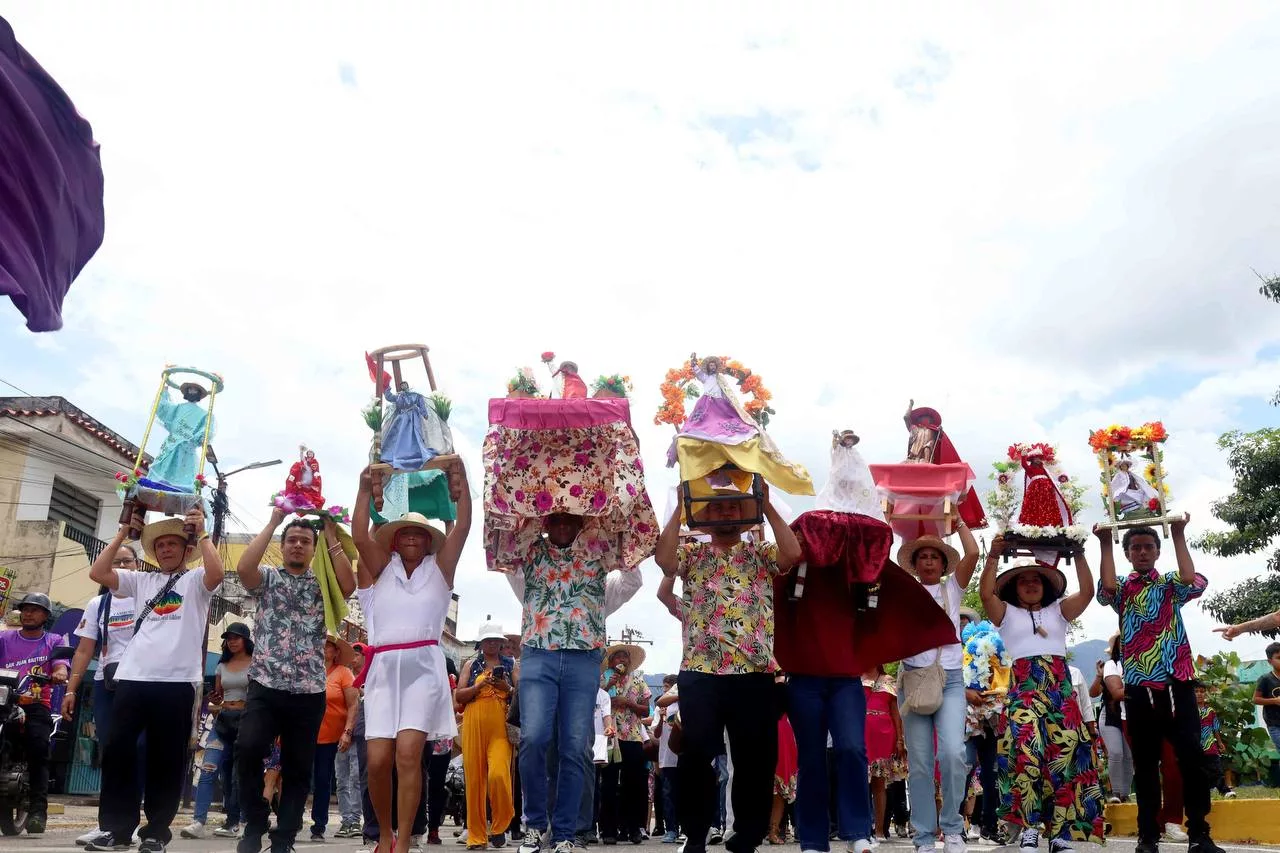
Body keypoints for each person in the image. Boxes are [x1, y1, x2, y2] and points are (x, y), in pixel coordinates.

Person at [655, 484, 802, 853]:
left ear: (745, 512)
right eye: (717, 508)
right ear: (705, 512)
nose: (725, 514)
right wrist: (679, 509)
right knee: (697, 753)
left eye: (733, 507)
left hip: (753, 671)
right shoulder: (693, 553)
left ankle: (749, 833)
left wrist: (766, 504)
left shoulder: (760, 552)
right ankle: (696, 832)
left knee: (755, 758)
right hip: (701, 670)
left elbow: (792, 554)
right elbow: (665, 561)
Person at [85, 507, 223, 853]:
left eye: (172, 544)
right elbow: (98, 572)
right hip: (133, 678)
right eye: (159, 545)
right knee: (118, 752)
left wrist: (202, 531)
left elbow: (217, 573)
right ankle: (116, 831)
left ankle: (155, 833)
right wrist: (122, 533)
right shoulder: (140, 580)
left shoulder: (194, 582)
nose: (165, 550)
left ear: (185, 548)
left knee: (166, 759)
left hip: (176, 683)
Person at [354, 460, 471, 853]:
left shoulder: (441, 571)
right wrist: (362, 486)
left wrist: (463, 485)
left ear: (428, 540)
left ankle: (403, 841)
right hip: (383, 671)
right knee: (376, 760)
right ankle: (383, 833)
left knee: (407, 755)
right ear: (393, 537)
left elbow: (464, 527)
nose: (411, 537)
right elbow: (357, 534)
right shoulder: (379, 571)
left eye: (419, 533)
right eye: (404, 530)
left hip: (423, 669)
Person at [234, 507, 357, 853]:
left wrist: (331, 534)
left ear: (313, 547)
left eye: (305, 541)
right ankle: (255, 820)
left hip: (308, 690)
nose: (298, 546)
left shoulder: (322, 583)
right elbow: (244, 570)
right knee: (248, 749)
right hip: (265, 684)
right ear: (283, 546)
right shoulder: (269, 578)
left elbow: (349, 585)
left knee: (299, 768)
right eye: (292, 541)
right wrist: (273, 520)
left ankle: (284, 837)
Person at [1096, 520, 1223, 853]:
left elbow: (1188, 577)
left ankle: (1199, 833)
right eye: (1135, 547)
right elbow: (1106, 585)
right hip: (1139, 687)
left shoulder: (1169, 584)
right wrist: (1105, 542)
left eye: (1148, 547)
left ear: (1157, 551)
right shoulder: (1123, 587)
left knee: (1192, 760)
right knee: (1146, 764)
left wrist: (1178, 533)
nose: (1141, 552)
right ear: (1127, 553)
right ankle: (1147, 837)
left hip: (1177, 682)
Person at [979, 543, 1103, 851]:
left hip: (1060, 693)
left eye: (1037, 579)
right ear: (1014, 587)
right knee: (1026, 757)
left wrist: (1078, 552)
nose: (1031, 584)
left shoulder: (1058, 610)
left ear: (1046, 585)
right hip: (1022, 693)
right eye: (1024, 580)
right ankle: (1029, 829)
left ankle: (1059, 835)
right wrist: (994, 554)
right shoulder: (1005, 613)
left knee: (1064, 761)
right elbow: (984, 594)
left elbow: (1088, 592)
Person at [895, 525, 979, 853]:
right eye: (923, 557)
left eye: (934, 557)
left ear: (944, 565)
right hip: (914, 680)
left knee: (954, 753)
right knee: (919, 763)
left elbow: (972, 553)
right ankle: (924, 837)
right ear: (914, 565)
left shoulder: (952, 590)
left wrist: (958, 522)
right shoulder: (902, 592)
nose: (929, 562)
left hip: (952, 679)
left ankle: (953, 828)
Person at [64, 545, 141, 848]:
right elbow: (84, 649)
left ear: (138, 566)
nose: (122, 566)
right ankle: (106, 824)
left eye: (128, 561)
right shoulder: (99, 603)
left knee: (135, 752)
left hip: (141, 684)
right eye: (117, 561)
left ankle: (129, 825)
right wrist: (71, 689)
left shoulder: (147, 597)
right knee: (110, 753)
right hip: (106, 685)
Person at [0, 591, 67, 834]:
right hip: (5, 702)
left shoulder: (55, 641)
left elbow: (61, 665)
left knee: (39, 749)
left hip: (36, 703)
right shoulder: (5, 638)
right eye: (25, 609)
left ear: (45, 615)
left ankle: (38, 810)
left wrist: (59, 673)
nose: (28, 613)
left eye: (35, 609)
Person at [183, 622, 254, 839]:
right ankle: (198, 821)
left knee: (238, 775)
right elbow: (219, 696)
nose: (232, 641)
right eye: (229, 638)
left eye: (236, 637)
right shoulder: (221, 666)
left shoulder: (256, 664)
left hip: (247, 721)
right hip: (222, 721)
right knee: (208, 768)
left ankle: (240, 821)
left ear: (246, 640)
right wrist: (215, 699)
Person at [455, 622, 517, 850]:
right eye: (488, 640)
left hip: (501, 726)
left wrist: (506, 687)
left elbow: (521, 695)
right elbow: (459, 696)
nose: (492, 643)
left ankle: (500, 825)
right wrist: (478, 688)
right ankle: (477, 837)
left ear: (502, 643)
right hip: (473, 722)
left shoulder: (511, 665)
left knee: (499, 775)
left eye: (496, 640)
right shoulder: (471, 665)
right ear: (481, 643)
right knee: (474, 781)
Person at [598, 644, 652, 845]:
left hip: (633, 736)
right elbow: (595, 702)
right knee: (609, 784)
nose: (621, 660)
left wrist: (628, 703)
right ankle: (608, 829)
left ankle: (634, 829)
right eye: (617, 657)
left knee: (635, 784)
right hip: (611, 734)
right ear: (611, 662)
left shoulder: (638, 680)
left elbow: (646, 711)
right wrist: (608, 688)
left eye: (625, 657)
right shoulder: (604, 679)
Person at [311, 635, 360, 841]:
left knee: (324, 780)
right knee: (300, 778)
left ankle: (318, 825)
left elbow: (353, 704)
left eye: (327, 646)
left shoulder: (344, 673)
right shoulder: (309, 671)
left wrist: (347, 732)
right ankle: (292, 821)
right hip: (306, 733)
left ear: (336, 652)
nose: (322, 649)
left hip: (332, 737)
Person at [863, 667, 906, 843]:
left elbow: (896, 713)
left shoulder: (889, 680)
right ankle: (862, 829)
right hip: (861, 734)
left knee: (879, 784)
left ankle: (880, 829)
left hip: (884, 736)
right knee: (860, 783)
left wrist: (900, 740)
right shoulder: (854, 678)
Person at [145, 383, 214, 490]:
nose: (192, 392)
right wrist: (164, 392)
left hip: (187, 450)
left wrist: (201, 437)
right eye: (190, 389)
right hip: (170, 444)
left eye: (195, 390)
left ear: (199, 394)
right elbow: (162, 408)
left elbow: (205, 432)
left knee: (182, 476)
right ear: (186, 392)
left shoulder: (205, 415)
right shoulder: (178, 408)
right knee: (162, 469)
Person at [1093, 635, 1133, 804]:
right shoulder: (1111, 666)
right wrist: (1098, 676)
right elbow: (1093, 693)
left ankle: (1125, 793)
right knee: (1116, 752)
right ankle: (1115, 792)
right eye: (1121, 642)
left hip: (1130, 714)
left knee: (1129, 756)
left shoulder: (1136, 664)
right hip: (1110, 715)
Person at [334, 643, 367, 840]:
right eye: (352, 654)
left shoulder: (370, 677)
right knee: (341, 779)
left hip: (360, 735)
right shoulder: (344, 675)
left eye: (357, 654)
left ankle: (355, 819)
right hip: (341, 734)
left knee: (356, 778)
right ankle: (346, 819)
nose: (354, 658)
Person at [1193, 682, 1234, 799]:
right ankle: (1200, 794)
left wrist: (1220, 742)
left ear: (1205, 693)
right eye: (1196, 691)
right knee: (1198, 772)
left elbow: (1215, 728)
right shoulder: (1189, 711)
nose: (1199, 694)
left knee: (1216, 769)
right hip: (1195, 746)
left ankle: (1225, 791)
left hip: (1210, 745)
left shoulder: (1210, 711)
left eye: (1201, 691)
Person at [1252, 643, 1280, 754]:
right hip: (1275, 724)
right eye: (1278, 658)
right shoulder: (1265, 679)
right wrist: (1274, 701)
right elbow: (1255, 699)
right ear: (1270, 661)